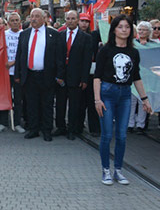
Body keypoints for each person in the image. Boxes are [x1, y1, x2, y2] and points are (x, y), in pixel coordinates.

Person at [94, 14, 152, 185]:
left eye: (127, 27)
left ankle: (118, 170)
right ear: (114, 30)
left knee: (121, 135)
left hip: (125, 94)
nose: (124, 30)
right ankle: (106, 170)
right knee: (106, 135)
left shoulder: (133, 52)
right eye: (120, 27)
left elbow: (136, 77)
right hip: (107, 93)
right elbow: (97, 76)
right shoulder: (105, 50)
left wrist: (145, 99)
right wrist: (97, 99)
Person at [14, 8, 66, 141]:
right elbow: (20, 55)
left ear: (44, 19)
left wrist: (59, 75)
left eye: (37, 16)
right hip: (30, 75)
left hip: (47, 75)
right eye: (32, 16)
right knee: (31, 104)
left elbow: (59, 57)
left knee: (47, 104)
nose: (34, 19)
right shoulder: (24, 34)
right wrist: (18, 74)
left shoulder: (53, 34)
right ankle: (33, 129)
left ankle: (47, 130)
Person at [54, 10, 93, 140]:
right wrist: (57, 74)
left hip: (76, 77)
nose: (70, 21)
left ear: (77, 20)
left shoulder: (86, 38)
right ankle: (60, 127)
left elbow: (87, 60)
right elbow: (57, 57)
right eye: (68, 18)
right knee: (60, 104)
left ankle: (72, 129)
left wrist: (84, 79)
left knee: (74, 105)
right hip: (61, 76)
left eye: (73, 18)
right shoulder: (60, 35)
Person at [1, 12, 25, 133]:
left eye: (17, 20)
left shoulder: (24, 34)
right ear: (8, 23)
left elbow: (26, 53)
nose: (15, 22)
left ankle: (17, 123)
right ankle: (3, 122)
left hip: (18, 72)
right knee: (5, 97)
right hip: (5, 72)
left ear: (20, 22)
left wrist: (13, 62)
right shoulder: (3, 35)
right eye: (13, 20)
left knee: (18, 99)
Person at [78, 13, 102, 137]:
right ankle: (79, 125)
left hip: (93, 73)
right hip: (80, 72)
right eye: (82, 21)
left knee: (93, 101)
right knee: (80, 102)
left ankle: (95, 128)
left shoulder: (94, 35)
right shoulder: (76, 35)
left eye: (86, 21)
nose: (84, 24)